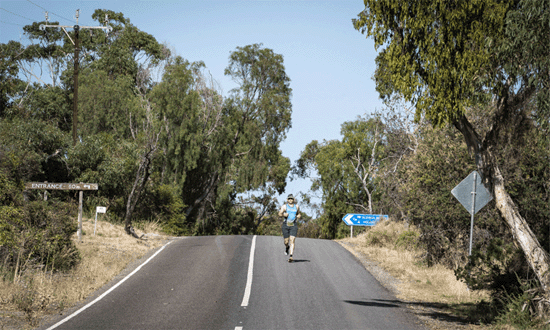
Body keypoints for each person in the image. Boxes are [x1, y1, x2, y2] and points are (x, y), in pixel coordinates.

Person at [278, 194, 301, 262]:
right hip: (286, 224)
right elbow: (279, 213)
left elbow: (299, 213)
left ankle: (291, 256)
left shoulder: (296, 206)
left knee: (292, 240)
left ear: (294, 200)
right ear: (287, 200)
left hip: (293, 225)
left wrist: (299, 216)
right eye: (289, 199)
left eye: (292, 199)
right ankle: (287, 247)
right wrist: (283, 214)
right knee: (286, 241)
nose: (290, 200)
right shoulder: (284, 206)